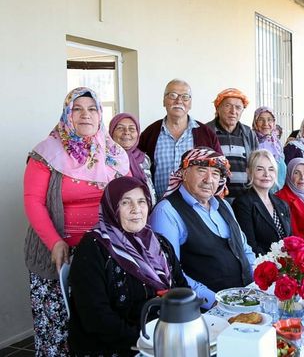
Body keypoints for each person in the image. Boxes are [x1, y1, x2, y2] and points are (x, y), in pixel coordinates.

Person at [23, 87, 130, 356]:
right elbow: (33, 201)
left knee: (99, 322)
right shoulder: (46, 152)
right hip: (60, 253)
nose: (85, 115)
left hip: (103, 254)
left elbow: (125, 199)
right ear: (66, 114)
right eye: (77, 109)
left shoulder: (113, 153)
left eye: (92, 109)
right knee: (59, 330)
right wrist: (54, 242)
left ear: (100, 115)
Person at [68, 177, 188, 356]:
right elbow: (96, 317)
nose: (136, 209)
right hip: (117, 346)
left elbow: (181, 287)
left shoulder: (159, 243)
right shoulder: (93, 248)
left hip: (165, 336)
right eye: (125, 202)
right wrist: (146, 341)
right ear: (111, 206)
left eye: (141, 202)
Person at [149, 147, 255, 309]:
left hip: (245, 301)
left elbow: (245, 249)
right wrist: (216, 301)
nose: (209, 179)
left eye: (215, 174)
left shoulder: (224, 205)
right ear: (184, 173)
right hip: (206, 312)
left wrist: (257, 284)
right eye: (201, 170)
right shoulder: (167, 211)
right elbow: (169, 272)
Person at [138, 79, 222, 199]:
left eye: (185, 97)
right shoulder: (150, 133)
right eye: (172, 95)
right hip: (159, 206)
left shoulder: (206, 134)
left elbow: (219, 169)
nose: (179, 101)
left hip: (196, 206)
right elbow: (140, 171)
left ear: (190, 103)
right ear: (164, 101)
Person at [232, 150, 291, 256]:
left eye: (271, 169)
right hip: (263, 266)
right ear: (249, 172)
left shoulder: (282, 204)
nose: (266, 174)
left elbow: (290, 240)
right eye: (260, 169)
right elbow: (250, 246)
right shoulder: (242, 204)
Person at [206, 88, 259, 201]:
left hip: (244, 199)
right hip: (214, 198)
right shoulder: (207, 131)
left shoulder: (248, 133)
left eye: (238, 107)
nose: (233, 111)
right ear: (218, 108)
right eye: (228, 106)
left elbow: (256, 164)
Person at [109, 112, 157, 205]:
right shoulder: (105, 159)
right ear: (111, 132)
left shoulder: (144, 159)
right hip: (115, 213)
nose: (126, 132)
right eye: (120, 128)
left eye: (131, 129)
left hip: (144, 213)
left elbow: (150, 187)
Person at [252, 106, 286, 190]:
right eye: (261, 119)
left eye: (269, 119)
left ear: (274, 122)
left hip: (279, 191)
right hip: (259, 190)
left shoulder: (277, 143)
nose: (265, 123)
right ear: (255, 122)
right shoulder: (251, 140)